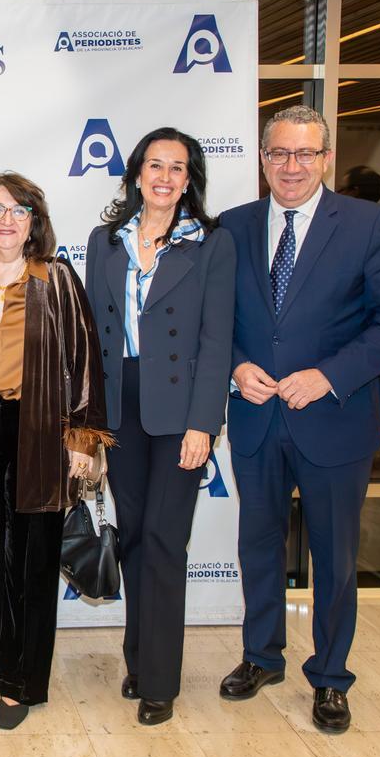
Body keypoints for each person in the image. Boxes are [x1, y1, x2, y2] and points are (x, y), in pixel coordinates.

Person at [218, 105, 380, 733]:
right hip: (256, 419)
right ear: (261, 159)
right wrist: (236, 365)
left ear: (326, 159)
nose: (292, 166)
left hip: (335, 419)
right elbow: (212, 321)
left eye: (305, 154)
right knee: (258, 546)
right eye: (279, 153)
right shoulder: (233, 226)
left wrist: (328, 375)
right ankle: (261, 655)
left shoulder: (365, 224)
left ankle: (331, 677)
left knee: (333, 554)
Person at [0, 172, 111, 730]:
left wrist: (80, 437)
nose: (6, 219)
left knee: (33, 561)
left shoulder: (55, 279)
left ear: (35, 222)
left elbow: (84, 359)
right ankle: (5, 660)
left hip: (40, 429)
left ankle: (25, 684)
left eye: (20, 210)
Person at [84, 127, 236, 726]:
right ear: (136, 174)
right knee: (135, 537)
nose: (165, 177)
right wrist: (88, 425)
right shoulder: (105, 241)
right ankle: (139, 657)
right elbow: (94, 339)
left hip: (179, 412)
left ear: (190, 178)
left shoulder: (211, 245)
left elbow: (216, 339)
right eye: (155, 165)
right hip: (120, 403)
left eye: (177, 168)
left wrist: (204, 423)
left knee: (167, 541)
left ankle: (160, 683)